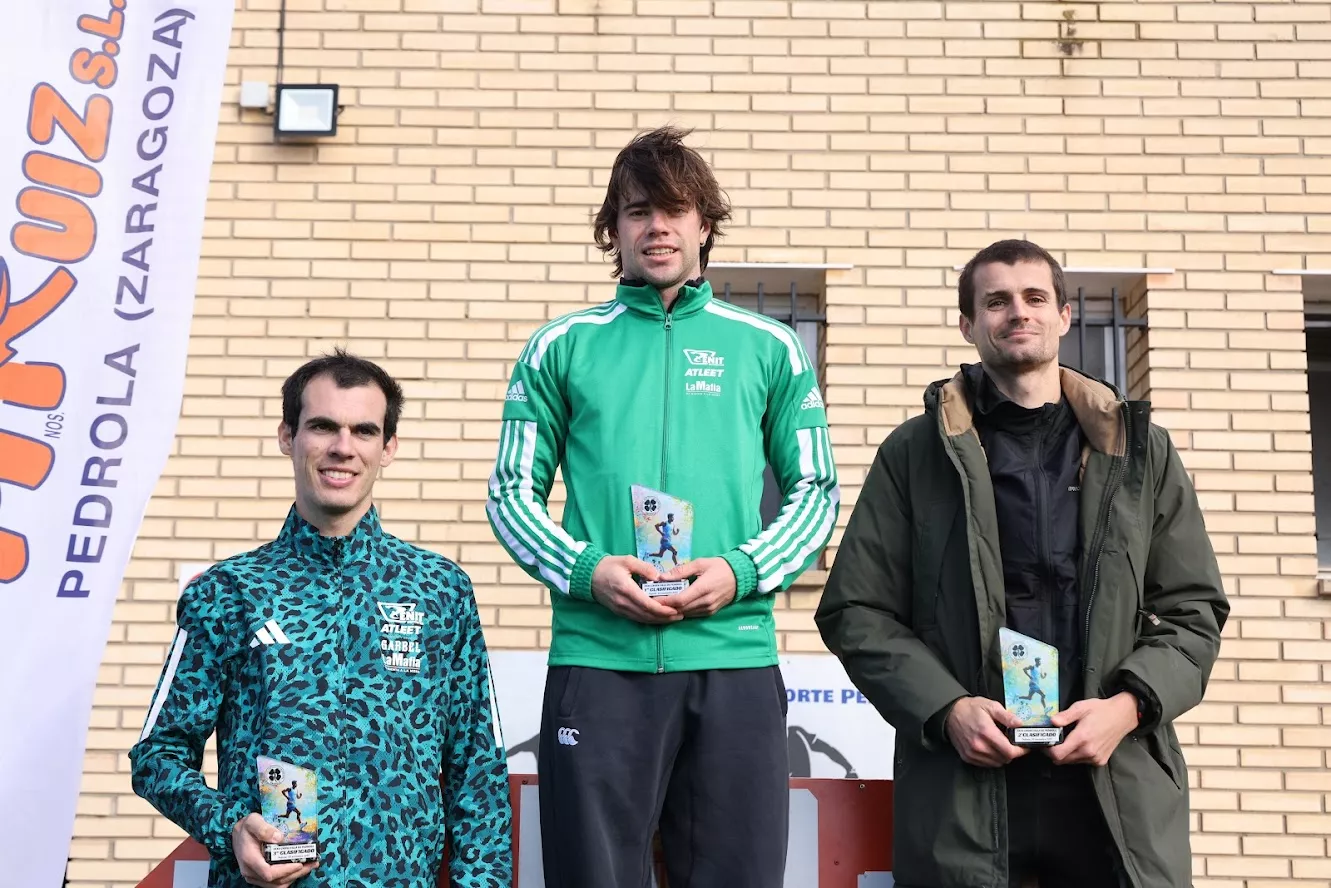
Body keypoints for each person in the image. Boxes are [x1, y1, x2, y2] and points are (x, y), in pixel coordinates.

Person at [487, 125, 839, 888]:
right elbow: (509, 492)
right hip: (598, 661)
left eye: (675, 209)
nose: (657, 226)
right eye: (637, 210)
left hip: (733, 658)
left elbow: (816, 491)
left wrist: (743, 572)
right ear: (612, 229)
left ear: (704, 223)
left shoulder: (769, 347)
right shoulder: (561, 345)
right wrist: (586, 571)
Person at [816, 239, 1228, 888]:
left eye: (1035, 298)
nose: (1018, 312)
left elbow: (1192, 610)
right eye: (996, 301)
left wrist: (1126, 706)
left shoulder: (1140, 453)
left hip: (1110, 781)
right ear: (967, 323)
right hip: (966, 788)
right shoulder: (915, 452)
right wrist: (947, 709)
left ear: (1064, 316)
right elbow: (856, 611)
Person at [131, 350, 511, 888]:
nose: (343, 447)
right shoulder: (229, 592)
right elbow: (158, 754)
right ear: (288, 436)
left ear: (389, 447)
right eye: (323, 426)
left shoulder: (441, 591)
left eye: (364, 430)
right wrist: (229, 828)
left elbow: (477, 770)